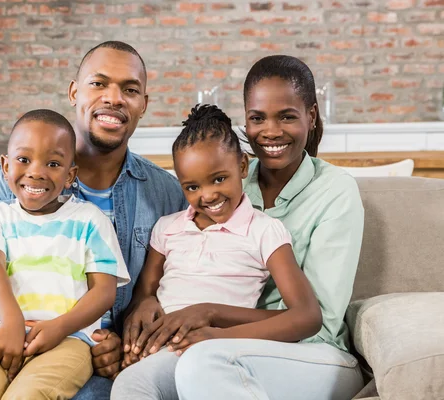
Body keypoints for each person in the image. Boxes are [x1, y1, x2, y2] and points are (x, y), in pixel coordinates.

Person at [0, 42, 187, 400]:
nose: (114, 98)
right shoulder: (7, 178)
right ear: (74, 92)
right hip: (7, 339)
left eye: (129, 90)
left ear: (143, 103)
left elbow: (166, 287)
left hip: (85, 354)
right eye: (98, 84)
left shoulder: (166, 192)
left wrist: (128, 329)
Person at [125, 55, 366, 400]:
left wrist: (211, 321)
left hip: (312, 353)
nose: (270, 131)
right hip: (223, 349)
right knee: (140, 380)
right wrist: (151, 307)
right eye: (257, 118)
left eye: (287, 116)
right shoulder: (226, 183)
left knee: (203, 362)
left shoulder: (335, 191)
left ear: (311, 116)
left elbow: (317, 322)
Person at [110, 104, 322, 400]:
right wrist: (143, 305)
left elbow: (307, 317)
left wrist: (214, 324)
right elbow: (145, 293)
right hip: (163, 352)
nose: (207, 195)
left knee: (136, 385)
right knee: (130, 383)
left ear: (243, 167)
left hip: (218, 350)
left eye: (219, 179)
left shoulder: (263, 230)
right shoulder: (167, 228)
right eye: (192, 186)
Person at [0, 109, 130, 399]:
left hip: (67, 340)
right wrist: (11, 321)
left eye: (53, 163)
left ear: (70, 175)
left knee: (28, 395)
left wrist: (59, 327)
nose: (36, 172)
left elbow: (104, 291)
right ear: (5, 166)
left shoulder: (90, 220)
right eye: (24, 160)